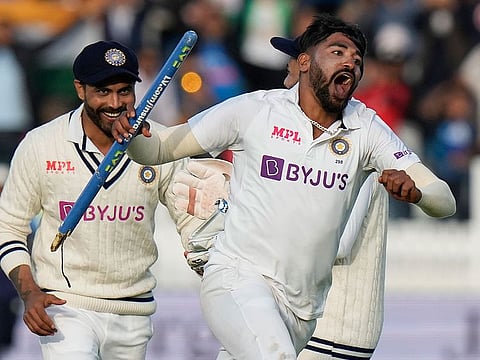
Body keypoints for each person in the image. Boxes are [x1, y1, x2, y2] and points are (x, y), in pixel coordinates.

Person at [113, 13, 456, 359]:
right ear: (304, 62)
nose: (350, 62)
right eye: (338, 52)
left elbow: (445, 200)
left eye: (357, 59)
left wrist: (419, 192)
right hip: (239, 278)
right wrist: (128, 128)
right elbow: (158, 148)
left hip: (303, 311)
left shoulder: (365, 127)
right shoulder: (255, 110)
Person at [0, 39, 221, 360]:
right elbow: (9, 226)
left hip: (134, 310)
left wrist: (209, 261)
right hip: (66, 305)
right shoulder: (41, 144)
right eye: (103, 91)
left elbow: (192, 225)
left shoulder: (158, 143)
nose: (115, 102)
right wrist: (30, 291)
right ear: (80, 89)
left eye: (124, 90)